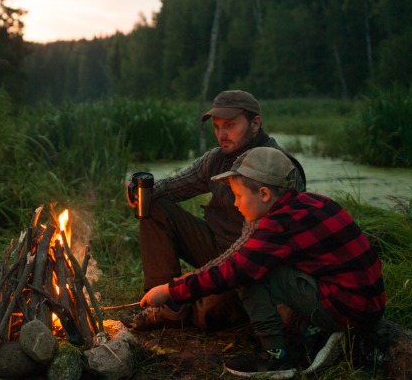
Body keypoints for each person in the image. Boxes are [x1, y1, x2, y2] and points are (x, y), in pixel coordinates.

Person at [139, 147, 386, 378]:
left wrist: (171, 291)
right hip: (368, 303)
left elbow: (233, 271)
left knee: (250, 277)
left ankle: (275, 357)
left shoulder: (277, 226)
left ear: (264, 194)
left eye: (238, 196)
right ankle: (312, 332)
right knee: (267, 268)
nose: (235, 204)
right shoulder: (311, 202)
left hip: (348, 308)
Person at [124, 90, 306, 331]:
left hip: (255, 265)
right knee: (155, 206)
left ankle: (183, 304)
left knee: (210, 310)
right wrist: (143, 190)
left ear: (255, 123)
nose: (222, 134)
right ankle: (163, 305)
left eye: (230, 125)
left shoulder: (278, 168)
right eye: (217, 127)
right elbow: (174, 186)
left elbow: (256, 251)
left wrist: (185, 285)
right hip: (215, 245)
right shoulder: (217, 159)